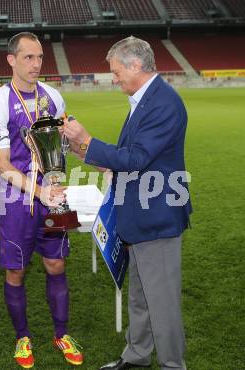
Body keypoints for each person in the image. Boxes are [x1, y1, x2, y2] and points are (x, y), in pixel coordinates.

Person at [63, 36, 192, 370]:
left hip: (157, 219)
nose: (114, 78)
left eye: (116, 71)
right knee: (140, 297)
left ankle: (172, 365)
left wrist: (87, 140)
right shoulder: (146, 99)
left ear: (136, 65)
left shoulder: (163, 102)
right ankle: (137, 356)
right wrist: (80, 148)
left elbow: (135, 159)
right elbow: (124, 160)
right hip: (139, 216)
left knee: (161, 302)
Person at [0, 32, 83, 368]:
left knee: (56, 263)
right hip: (15, 199)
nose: (36, 64)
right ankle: (23, 337)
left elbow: (59, 150)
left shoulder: (53, 97)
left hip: (50, 194)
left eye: (40, 57)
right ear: (11, 60)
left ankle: (61, 333)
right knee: (17, 270)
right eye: (28, 57)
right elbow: (1, 163)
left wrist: (55, 183)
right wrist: (38, 190)